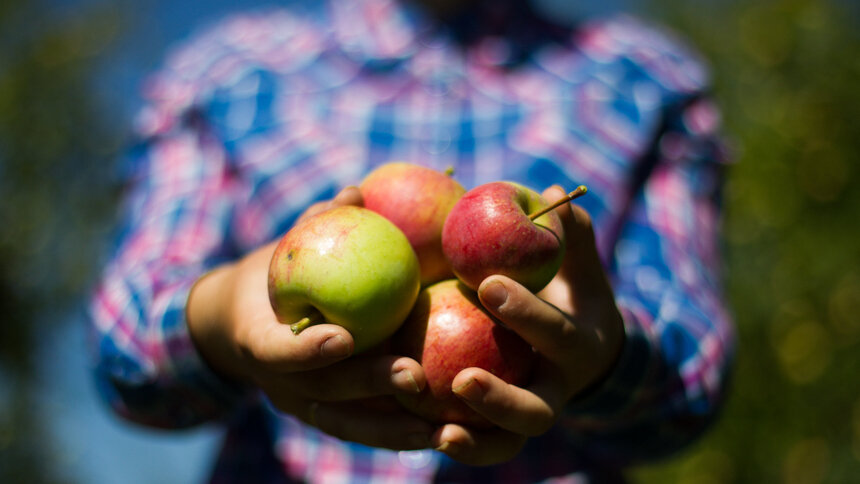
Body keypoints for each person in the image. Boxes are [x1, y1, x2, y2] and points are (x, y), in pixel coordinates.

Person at [89, 0, 735, 481]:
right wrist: (224, 312)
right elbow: (127, 354)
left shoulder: (646, 81)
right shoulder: (226, 75)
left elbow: (693, 379)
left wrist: (602, 364)